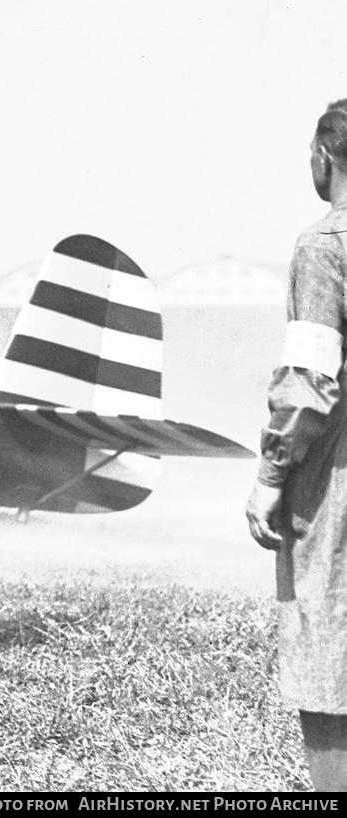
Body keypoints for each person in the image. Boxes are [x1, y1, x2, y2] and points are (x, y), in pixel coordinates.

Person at [246, 99, 347, 791]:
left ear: (324, 158)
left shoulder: (324, 245)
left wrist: (272, 474)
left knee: (327, 640)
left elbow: (312, 376)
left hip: (338, 474)